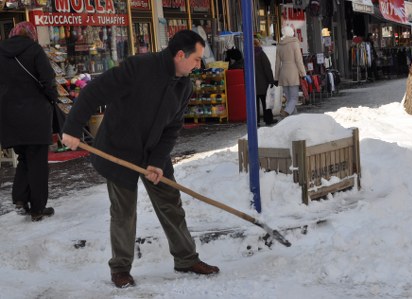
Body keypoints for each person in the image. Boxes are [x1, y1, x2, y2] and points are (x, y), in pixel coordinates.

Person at [61, 30, 219, 289]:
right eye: (197, 59)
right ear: (180, 55)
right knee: (124, 212)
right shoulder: (139, 68)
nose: (199, 65)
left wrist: (157, 161)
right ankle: (120, 269)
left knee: (171, 204)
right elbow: (94, 92)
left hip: (154, 150)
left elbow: (172, 128)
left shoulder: (184, 86)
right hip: (119, 150)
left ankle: (186, 258)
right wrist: (72, 127)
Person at [0, 21, 57, 221]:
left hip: (9, 117)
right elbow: (48, 79)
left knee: (24, 157)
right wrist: (52, 98)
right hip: (36, 116)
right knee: (38, 162)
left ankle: (20, 198)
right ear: (31, 34)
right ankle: (38, 208)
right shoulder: (34, 50)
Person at [274, 26, 307, 117]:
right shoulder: (294, 43)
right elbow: (298, 60)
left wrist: (276, 78)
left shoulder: (279, 45)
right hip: (293, 72)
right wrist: (303, 73)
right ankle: (286, 112)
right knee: (294, 98)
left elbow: (277, 63)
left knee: (289, 99)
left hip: (283, 72)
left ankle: (293, 118)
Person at [254, 38, 277, 126]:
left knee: (254, 104)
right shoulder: (261, 54)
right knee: (266, 102)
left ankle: (256, 121)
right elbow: (267, 68)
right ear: (258, 44)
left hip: (252, 85)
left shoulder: (248, 56)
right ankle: (268, 119)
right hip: (263, 83)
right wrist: (271, 81)